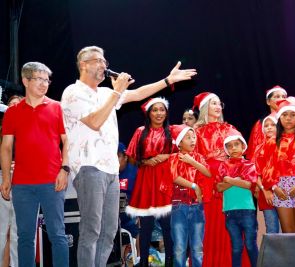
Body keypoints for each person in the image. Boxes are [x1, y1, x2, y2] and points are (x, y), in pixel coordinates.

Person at [61, 45, 196, 267]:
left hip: (111, 170)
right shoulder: (73, 93)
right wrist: (116, 93)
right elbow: (94, 122)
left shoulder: (105, 93)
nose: (104, 65)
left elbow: (138, 93)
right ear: (83, 65)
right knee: (91, 228)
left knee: (109, 230)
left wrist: (167, 81)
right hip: (88, 166)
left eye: (105, 61)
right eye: (98, 61)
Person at [0, 62, 69, 267]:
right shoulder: (13, 112)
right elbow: (5, 147)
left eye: (46, 80)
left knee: (58, 234)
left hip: (52, 180)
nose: (44, 84)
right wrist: (6, 177)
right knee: (25, 237)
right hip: (21, 184)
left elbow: (67, 142)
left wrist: (64, 169)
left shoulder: (56, 107)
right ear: (25, 81)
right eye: (39, 79)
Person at [125, 98, 175, 267]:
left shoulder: (172, 131)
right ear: (148, 113)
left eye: (162, 110)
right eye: (155, 110)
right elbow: (131, 157)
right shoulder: (140, 131)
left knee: (168, 227)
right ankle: (144, 262)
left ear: (166, 112)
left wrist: (165, 156)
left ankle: (170, 261)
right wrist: (145, 162)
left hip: (165, 182)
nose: (159, 113)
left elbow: (182, 154)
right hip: (146, 182)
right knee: (145, 227)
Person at [258, 97, 295, 233]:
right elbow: (265, 167)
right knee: (288, 231)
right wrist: (274, 187)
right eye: (284, 115)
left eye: (292, 115)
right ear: (279, 118)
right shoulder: (272, 141)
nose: (288, 118)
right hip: (280, 187)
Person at [192, 92, 237, 267]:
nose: (218, 107)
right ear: (204, 108)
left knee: (230, 224)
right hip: (206, 182)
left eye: (219, 103)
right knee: (210, 225)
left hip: (229, 181)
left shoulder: (230, 129)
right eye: (213, 103)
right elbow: (191, 159)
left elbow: (239, 155)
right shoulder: (196, 131)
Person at [168, 124, 211, 267]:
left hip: (197, 206)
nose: (193, 140)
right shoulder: (174, 157)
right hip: (179, 206)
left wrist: (192, 161)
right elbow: (175, 177)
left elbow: (208, 173)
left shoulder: (198, 157)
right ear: (179, 142)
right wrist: (194, 186)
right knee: (180, 247)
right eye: (188, 137)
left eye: (194, 137)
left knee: (198, 248)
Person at [216, 130, 258, 267]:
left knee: (251, 245)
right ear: (226, 150)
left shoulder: (249, 165)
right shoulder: (223, 165)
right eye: (229, 146)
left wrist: (228, 180)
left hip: (247, 210)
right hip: (229, 211)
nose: (233, 148)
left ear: (243, 147)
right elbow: (219, 188)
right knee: (236, 247)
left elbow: (248, 184)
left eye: (236, 145)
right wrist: (236, 179)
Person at [0, 95, 22, 267]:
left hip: (24, 180)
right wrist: (5, 166)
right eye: (10, 105)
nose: (13, 107)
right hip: (2, 177)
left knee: (18, 232)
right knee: (1, 230)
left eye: (17, 104)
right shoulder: (2, 130)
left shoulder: (30, 129)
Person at [253, 113, 280, 234]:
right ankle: (274, 254)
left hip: (284, 190)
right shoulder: (258, 148)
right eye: (266, 125)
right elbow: (256, 174)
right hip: (266, 194)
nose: (269, 127)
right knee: (272, 229)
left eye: (273, 125)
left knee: (288, 228)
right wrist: (265, 190)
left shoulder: (284, 144)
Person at [246, 86, 287, 161]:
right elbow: (256, 151)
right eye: (277, 96)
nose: (281, 99)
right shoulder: (260, 124)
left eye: (284, 96)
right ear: (268, 101)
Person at [118, 142, 140, 261]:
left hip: (130, 216)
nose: (115, 160)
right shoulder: (108, 173)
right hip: (112, 217)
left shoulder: (135, 172)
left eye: (118, 156)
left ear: (125, 157)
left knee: (141, 227)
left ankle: (140, 260)